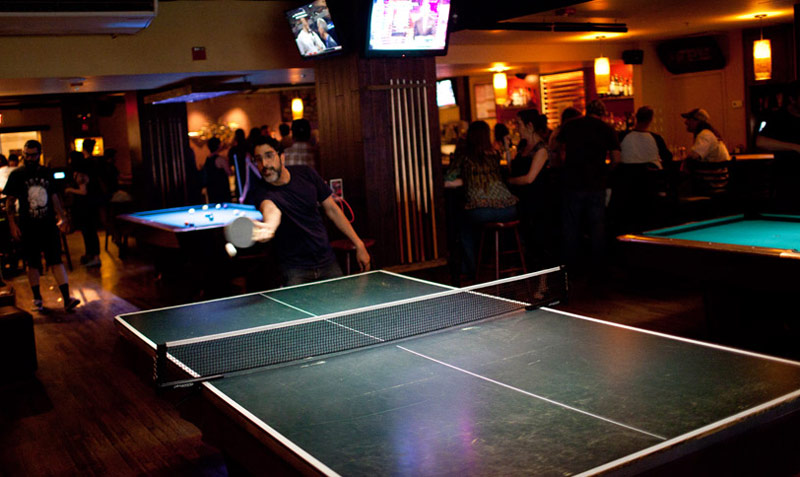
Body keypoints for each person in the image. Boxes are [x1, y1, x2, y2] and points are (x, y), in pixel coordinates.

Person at [244, 136, 370, 286]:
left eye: (269, 156)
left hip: (327, 261)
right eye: (258, 159)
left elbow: (332, 210)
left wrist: (359, 244)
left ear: (282, 157)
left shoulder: (306, 174)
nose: (264, 164)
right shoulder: (261, 191)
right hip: (294, 270)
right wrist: (269, 228)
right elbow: (270, 210)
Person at [5, 140, 80, 311]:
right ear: (23, 154)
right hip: (28, 225)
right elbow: (10, 201)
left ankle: (67, 298)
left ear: (39, 154)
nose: (30, 158)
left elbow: (53, 197)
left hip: (47, 224)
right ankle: (37, 298)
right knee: (33, 263)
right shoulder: (17, 174)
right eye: (27, 155)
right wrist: (12, 225)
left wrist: (62, 216)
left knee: (56, 260)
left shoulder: (46, 173)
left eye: (33, 155)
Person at [444, 120, 518, 279]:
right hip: (509, 209)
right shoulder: (494, 155)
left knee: (463, 225)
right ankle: (506, 266)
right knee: (481, 227)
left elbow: (447, 180)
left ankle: (472, 271)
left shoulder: (464, 156)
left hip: (482, 211)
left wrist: (465, 180)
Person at [555, 99, 620, 275]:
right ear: (603, 113)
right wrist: (605, 170)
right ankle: (598, 269)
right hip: (595, 183)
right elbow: (616, 158)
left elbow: (561, 151)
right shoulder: (606, 129)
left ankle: (570, 270)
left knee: (570, 227)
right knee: (597, 227)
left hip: (572, 182)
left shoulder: (571, 126)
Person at [609, 106, 673, 233]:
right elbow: (668, 157)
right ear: (650, 120)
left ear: (635, 118)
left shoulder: (622, 136)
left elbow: (615, 157)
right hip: (650, 188)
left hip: (627, 189)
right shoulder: (656, 138)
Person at [507, 110, 552, 267]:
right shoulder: (523, 146)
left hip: (537, 203)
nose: (516, 127)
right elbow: (513, 168)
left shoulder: (541, 149)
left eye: (518, 123)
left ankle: (541, 286)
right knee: (525, 243)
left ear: (529, 125)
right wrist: (507, 148)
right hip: (522, 202)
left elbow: (529, 178)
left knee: (538, 245)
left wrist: (509, 182)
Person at [755, 81, 800, 213]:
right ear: (792, 99)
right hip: (787, 181)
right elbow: (760, 142)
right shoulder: (779, 118)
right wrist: (795, 147)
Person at [64, 150, 104, 267]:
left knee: (88, 232)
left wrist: (69, 190)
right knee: (89, 231)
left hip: (85, 207)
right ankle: (91, 255)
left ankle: (94, 256)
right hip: (89, 206)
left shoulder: (80, 173)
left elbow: (83, 191)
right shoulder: (87, 171)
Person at [680, 108, 730, 196]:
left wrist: (684, 164)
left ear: (697, 121)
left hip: (711, 182)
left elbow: (694, 156)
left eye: (689, 119)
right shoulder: (711, 133)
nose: (685, 122)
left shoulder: (705, 135)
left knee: (679, 185)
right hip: (718, 179)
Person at [202, 137, 232, 204]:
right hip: (221, 189)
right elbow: (229, 172)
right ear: (218, 146)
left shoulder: (207, 159)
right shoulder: (220, 159)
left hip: (211, 189)